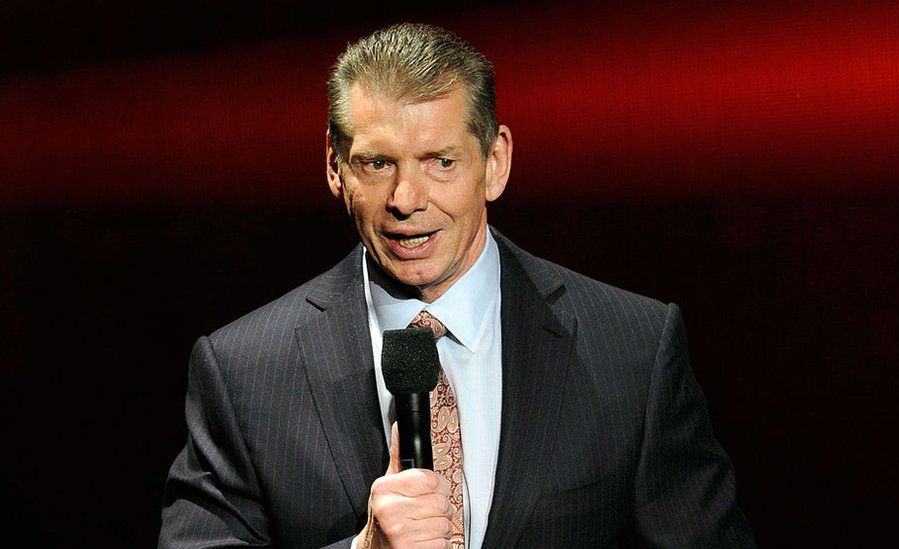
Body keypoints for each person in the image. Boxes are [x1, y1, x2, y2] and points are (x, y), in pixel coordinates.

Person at [159, 23, 755, 549]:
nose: (406, 200)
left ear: (495, 163)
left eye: (440, 162)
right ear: (335, 168)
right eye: (377, 164)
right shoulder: (244, 372)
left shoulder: (633, 350)